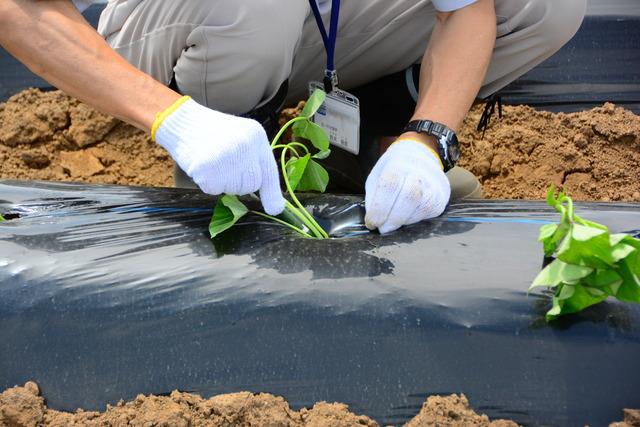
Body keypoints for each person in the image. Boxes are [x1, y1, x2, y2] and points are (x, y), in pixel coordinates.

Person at [0, 0, 587, 234]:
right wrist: (175, 119)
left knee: (545, 6)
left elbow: (465, 10)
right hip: (181, 29)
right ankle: (220, 147)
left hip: (305, 30)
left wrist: (427, 140)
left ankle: (360, 150)